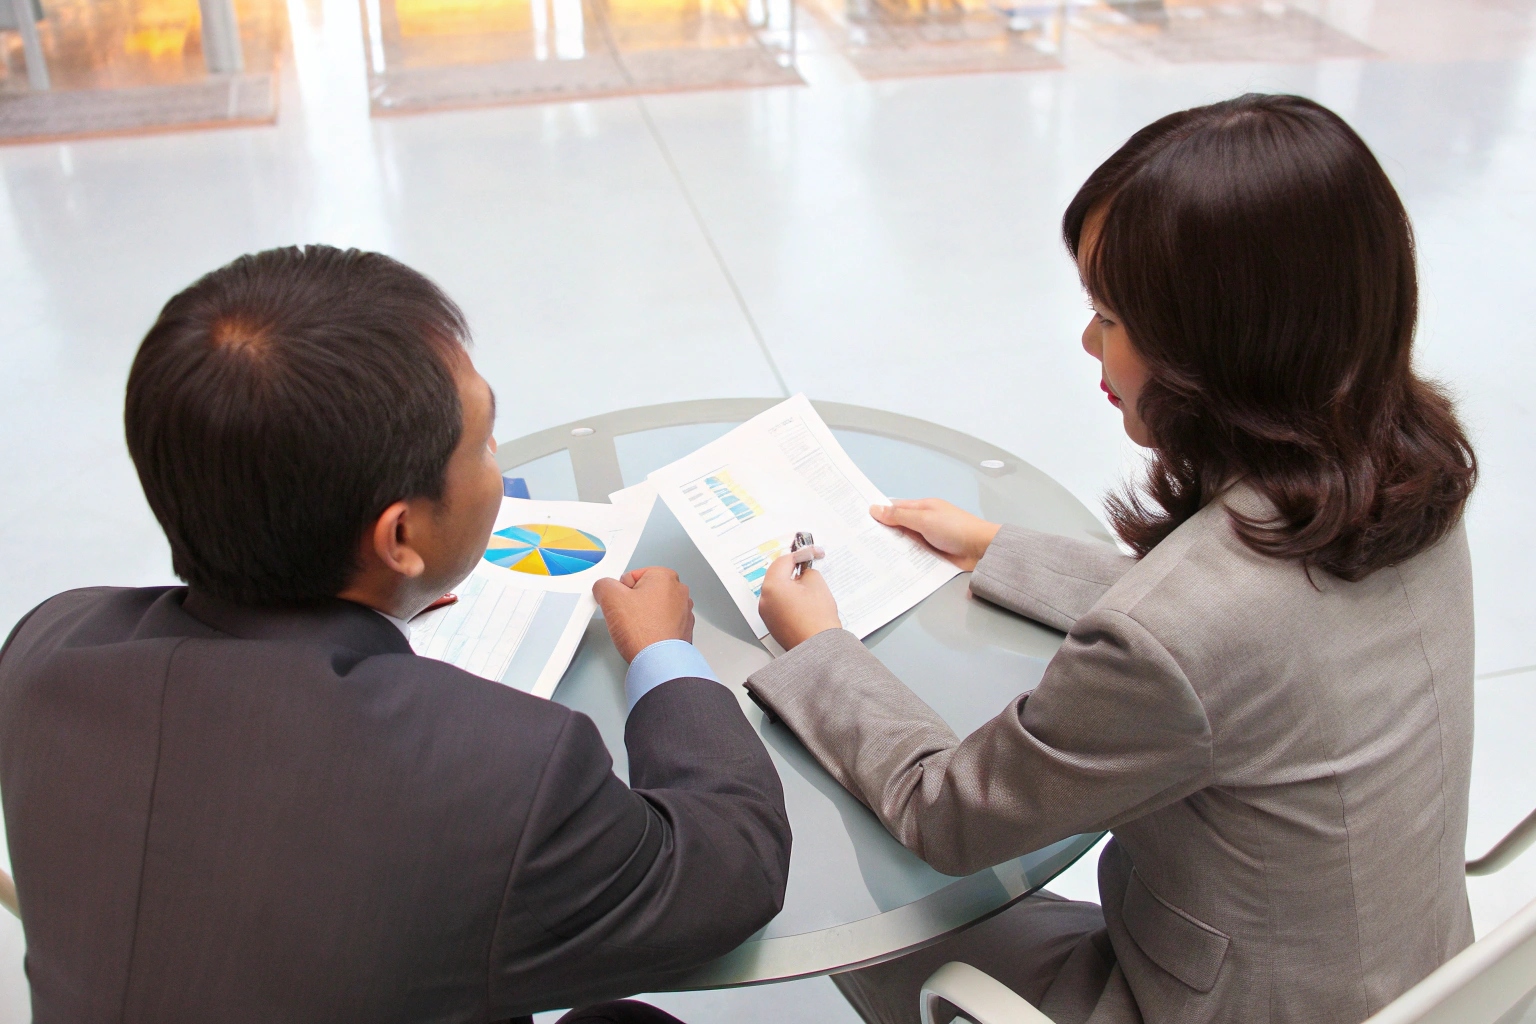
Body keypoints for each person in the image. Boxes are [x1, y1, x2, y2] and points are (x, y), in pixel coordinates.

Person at [746, 93, 1478, 1024]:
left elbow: (949, 813)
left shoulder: (1172, 637)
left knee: (869, 905)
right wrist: (997, 550)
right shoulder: (1413, 474)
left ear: (1217, 345)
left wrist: (820, 651)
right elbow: (1257, 633)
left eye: (1110, 316)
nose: (1088, 342)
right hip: (1411, 975)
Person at [0, 246, 790, 1024]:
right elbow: (730, 871)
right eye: (484, 443)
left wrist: (390, 612)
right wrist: (664, 656)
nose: (494, 461)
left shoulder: (45, 650)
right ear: (399, 536)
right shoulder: (506, 776)